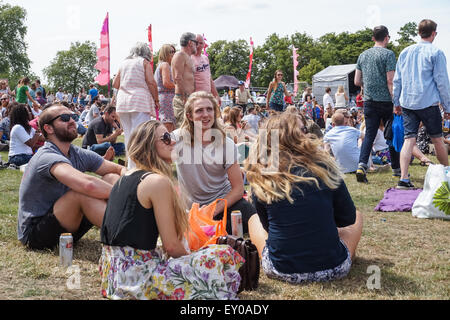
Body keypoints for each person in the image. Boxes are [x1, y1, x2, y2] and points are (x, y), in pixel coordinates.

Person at [99, 120, 244, 300]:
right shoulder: (157, 182)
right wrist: (192, 261)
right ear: (148, 145)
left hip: (112, 276)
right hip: (139, 278)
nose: (173, 141)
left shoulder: (126, 176)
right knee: (224, 254)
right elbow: (171, 246)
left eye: (172, 137)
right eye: (166, 138)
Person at [245, 113, 363, 284]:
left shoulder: (263, 175)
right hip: (333, 268)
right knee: (358, 216)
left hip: (281, 269)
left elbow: (268, 228)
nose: (308, 133)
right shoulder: (324, 167)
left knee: (253, 219)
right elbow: (348, 218)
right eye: (304, 129)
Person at [17, 104, 126, 250]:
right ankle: (132, 235)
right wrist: (127, 196)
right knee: (81, 194)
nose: (72, 121)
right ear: (48, 128)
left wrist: (129, 181)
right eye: (64, 118)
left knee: (110, 177)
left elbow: (119, 169)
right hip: (36, 234)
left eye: (73, 116)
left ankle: (129, 229)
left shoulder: (75, 152)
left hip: (67, 224)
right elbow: (88, 185)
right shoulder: (46, 156)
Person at [174, 91, 257, 234]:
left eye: (209, 109)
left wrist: (212, 211)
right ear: (189, 116)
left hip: (223, 203)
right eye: (199, 110)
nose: (205, 114)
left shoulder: (226, 144)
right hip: (191, 208)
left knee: (250, 215)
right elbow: (152, 157)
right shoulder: (177, 138)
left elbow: (237, 189)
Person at [393, 19, 450, 189]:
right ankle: (446, 173)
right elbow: (442, 82)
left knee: (409, 139)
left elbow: (397, 80)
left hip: (408, 102)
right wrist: (447, 107)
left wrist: (396, 102)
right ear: (434, 33)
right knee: (438, 139)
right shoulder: (436, 53)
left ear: (419, 33)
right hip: (428, 102)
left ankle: (404, 178)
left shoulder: (405, 52)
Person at [355, 25, 400, 183]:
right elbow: (390, 80)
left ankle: (361, 165)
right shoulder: (388, 54)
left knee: (369, 135)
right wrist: (396, 101)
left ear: (373, 38)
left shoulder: (363, 55)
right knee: (391, 133)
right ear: (386, 37)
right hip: (386, 102)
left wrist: (366, 86)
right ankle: (396, 168)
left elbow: (357, 81)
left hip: (369, 101)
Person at [113, 42, 160, 169]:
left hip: (123, 102)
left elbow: (115, 84)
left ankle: (131, 165)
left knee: (129, 135)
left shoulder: (123, 63)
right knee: (140, 135)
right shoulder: (144, 63)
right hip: (139, 101)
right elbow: (151, 82)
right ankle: (138, 165)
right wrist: (156, 99)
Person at [171, 32, 197, 127]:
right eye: (196, 43)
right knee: (184, 129)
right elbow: (178, 77)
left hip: (189, 98)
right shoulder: (180, 55)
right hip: (182, 98)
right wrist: (185, 98)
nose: (197, 46)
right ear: (190, 43)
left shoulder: (188, 58)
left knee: (192, 130)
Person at [192, 34, 221, 107]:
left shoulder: (205, 58)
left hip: (207, 96)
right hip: (196, 97)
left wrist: (216, 95)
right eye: (196, 43)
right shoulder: (189, 59)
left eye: (201, 43)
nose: (198, 45)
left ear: (204, 45)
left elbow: (209, 78)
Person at [154, 44, 177, 132]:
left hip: (165, 98)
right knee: (168, 125)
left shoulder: (163, 65)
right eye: (171, 52)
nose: (174, 54)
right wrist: (180, 86)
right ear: (165, 53)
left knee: (169, 125)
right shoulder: (165, 65)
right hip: (167, 98)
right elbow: (166, 83)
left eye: (174, 51)